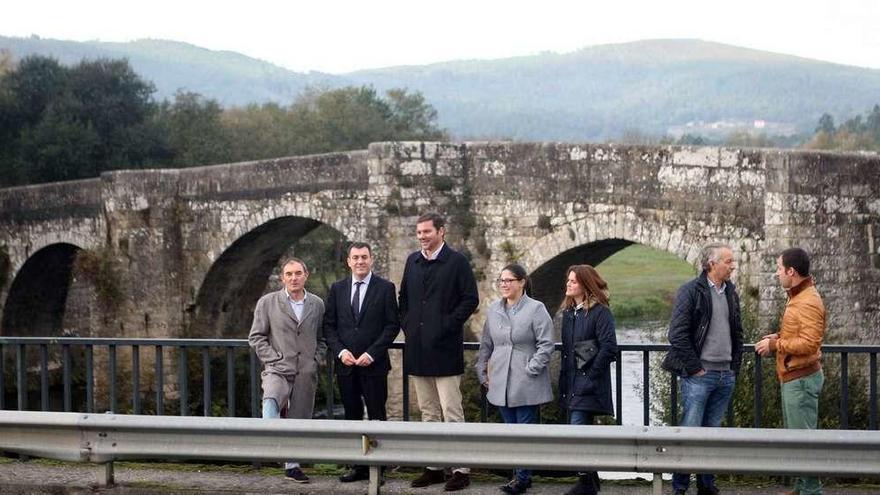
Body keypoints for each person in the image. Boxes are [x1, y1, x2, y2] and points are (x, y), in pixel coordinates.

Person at [399, 212, 479, 491]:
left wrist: (447, 325)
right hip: (418, 348)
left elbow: (471, 299)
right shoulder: (412, 261)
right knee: (428, 412)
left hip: (445, 348)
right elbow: (404, 299)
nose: (421, 236)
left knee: (451, 411)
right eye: (419, 232)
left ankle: (461, 469)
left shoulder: (457, 262)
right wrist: (408, 325)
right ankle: (433, 467)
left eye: (426, 232)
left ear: (441, 231)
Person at [661, 243, 743, 495]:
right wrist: (696, 368)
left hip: (724, 374)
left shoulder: (730, 291)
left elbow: (737, 332)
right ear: (711, 264)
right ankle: (680, 486)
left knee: (712, 434)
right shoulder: (691, 291)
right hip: (700, 376)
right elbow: (677, 334)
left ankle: (707, 485)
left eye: (732, 261)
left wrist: (734, 367)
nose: (733, 266)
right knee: (690, 432)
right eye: (728, 261)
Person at [323, 242, 400, 484]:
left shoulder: (385, 288)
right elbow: (329, 326)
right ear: (348, 261)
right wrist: (340, 351)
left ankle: (378, 469)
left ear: (371, 259)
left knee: (377, 416)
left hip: (373, 365)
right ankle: (357, 467)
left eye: (364, 257)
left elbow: (392, 325)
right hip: (346, 366)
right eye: (355, 257)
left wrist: (373, 353)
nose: (360, 261)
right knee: (351, 416)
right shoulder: (338, 288)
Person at [475, 263, 554, 495]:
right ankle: (520, 475)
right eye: (501, 280)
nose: (504, 284)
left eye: (509, 280)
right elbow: (486, 344)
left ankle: (521, 478)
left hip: (527, 381)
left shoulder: (536, 309)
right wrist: (482, 371)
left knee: (525, 430)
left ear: (522, 282)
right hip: (500, 380)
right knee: (510, 431)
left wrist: (532, 368)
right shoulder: (494, 310)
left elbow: (546, 343)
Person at [248, 257, 326, 483]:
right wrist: (273, 359)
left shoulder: (317, 304)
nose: (294, 278)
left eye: (298, 273)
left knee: (299, 418)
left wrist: (315, 359)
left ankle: (292, 466)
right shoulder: (267, 302)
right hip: (277, 368)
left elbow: (321, 338)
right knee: (271, 399)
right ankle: (272, 446)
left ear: (306, 275)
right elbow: (256, 337)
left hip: (305, 371)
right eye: (289, 274)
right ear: (283, 277)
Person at [756, 247, 826, 495]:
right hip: (795, 378)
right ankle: (802, 487)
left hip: (801, 380)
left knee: (803, 440)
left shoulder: (806, 301)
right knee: (798, 438)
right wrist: (780, 336)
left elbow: (809, 343)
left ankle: (811, 491)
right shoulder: (799, 295)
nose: (777, 273)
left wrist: (776, 344)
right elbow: (800, 334)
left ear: (791, 271)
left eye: (778, 268)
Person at [558, 265, 618, 495]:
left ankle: (585, 483)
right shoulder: (570, 313)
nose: (568, 284)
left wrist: (590, 377)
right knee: (581, 433)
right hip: (573, 385)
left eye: (573, 281)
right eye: (568, 280)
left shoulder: (600, 312)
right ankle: (591, 481)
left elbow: (609, 348)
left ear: (585, 284)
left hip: (588, 385)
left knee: (577, 433)